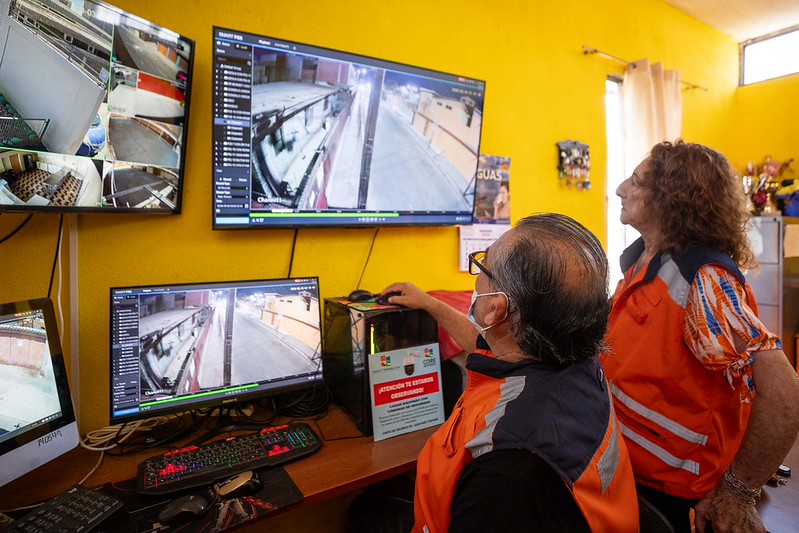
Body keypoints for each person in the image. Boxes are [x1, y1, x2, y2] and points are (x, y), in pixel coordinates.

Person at [376, 213, 639, 532]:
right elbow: (482, 342)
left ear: (495, 308)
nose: (477, 276)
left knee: (368, 511)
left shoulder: (506, 475)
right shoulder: (576, 360)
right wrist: (429, 303)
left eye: (483, 264)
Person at [604, 139, 799, 532]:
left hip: (675, 496)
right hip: (631, 473)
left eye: (635, 182)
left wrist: (738, 492)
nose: (621, 189)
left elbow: (784, 393)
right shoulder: (645, 261)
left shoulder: (704, 281)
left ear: (670, 200)